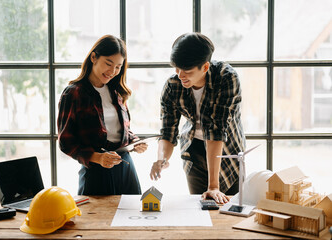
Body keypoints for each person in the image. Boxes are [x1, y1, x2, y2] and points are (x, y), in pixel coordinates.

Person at [150, 32, 246, 204]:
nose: (180, 75)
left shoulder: (226, 78)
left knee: (229, 210)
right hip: (193, 153)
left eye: (186, 70)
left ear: (205, 67)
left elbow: (216, 131)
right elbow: (168, 132)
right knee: (200, 208)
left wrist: (214, 186)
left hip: (227, 151)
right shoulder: (173, 86)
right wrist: (161, 159)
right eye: (176, 68)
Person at [57, 35, 147, 195]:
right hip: (96, 171)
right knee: (97, 219)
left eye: (118, 67)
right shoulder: (73, 93)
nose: (112, 71)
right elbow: (66, 142)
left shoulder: (117, 92)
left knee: (132, 218)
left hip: (126, 167)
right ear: (94, 57)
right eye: (108, 63)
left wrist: (135, 142)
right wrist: (97, 158)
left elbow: (121, 131)